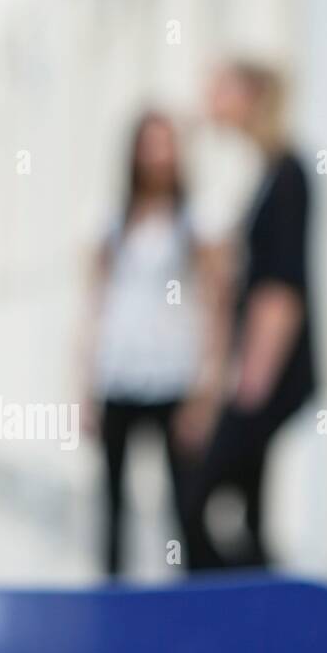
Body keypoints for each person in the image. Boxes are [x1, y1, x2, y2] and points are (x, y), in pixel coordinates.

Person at [178, 61, 314, 570]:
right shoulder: (263, 172)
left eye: (221, 90)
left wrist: (251, 381)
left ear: (253, 97)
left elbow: (281, 288)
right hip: (257, 370)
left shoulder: (287, 172)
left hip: (268, 373)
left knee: (197, 502)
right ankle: (258, 615)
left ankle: (245, 607)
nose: (210, 99)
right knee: (249, 514)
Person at [84, 110, 222, 576]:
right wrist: (84, 387)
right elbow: (94, 307)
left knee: (183, 505)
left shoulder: (195, 224)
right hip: (118, 376)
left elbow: (213, 308)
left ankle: (187, 607)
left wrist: (207, 388)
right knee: (112, 505)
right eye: (149, 144)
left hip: (173, 378)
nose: (157, 155)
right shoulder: (113, 226)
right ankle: (112, 603)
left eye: (167, 144)